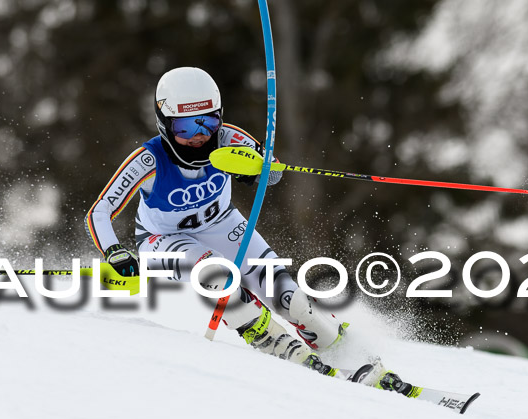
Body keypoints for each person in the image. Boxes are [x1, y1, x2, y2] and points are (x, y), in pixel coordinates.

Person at [85, 67, 409, 393]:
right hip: (162, 240)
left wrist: (258, 170)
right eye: (185, 126)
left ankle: (349, 354)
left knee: (286, 295)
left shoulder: (228, 139)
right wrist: (114, 251)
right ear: (164, 122)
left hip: (222, 225)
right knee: (214, 273)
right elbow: (99, 213)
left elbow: (274, 171)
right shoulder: (148, 161)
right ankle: (272, 341)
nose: (199, 135)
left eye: (208, 122)